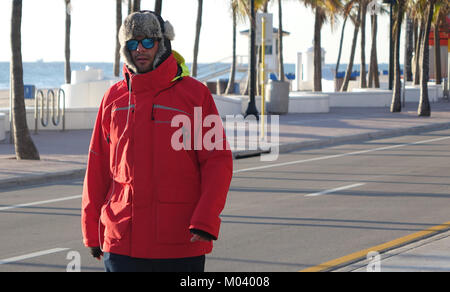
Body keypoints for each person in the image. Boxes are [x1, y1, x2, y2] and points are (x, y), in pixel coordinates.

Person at [81, 10, 233, 272]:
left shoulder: (195, 95)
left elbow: (217, 161)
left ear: (162, 44)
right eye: (132, 43)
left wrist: (206, 220)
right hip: (122, 241)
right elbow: (97, 166)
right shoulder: (113, 99)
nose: (140, 49)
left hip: (180, 241)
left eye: (147, 42)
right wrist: (91, 230)